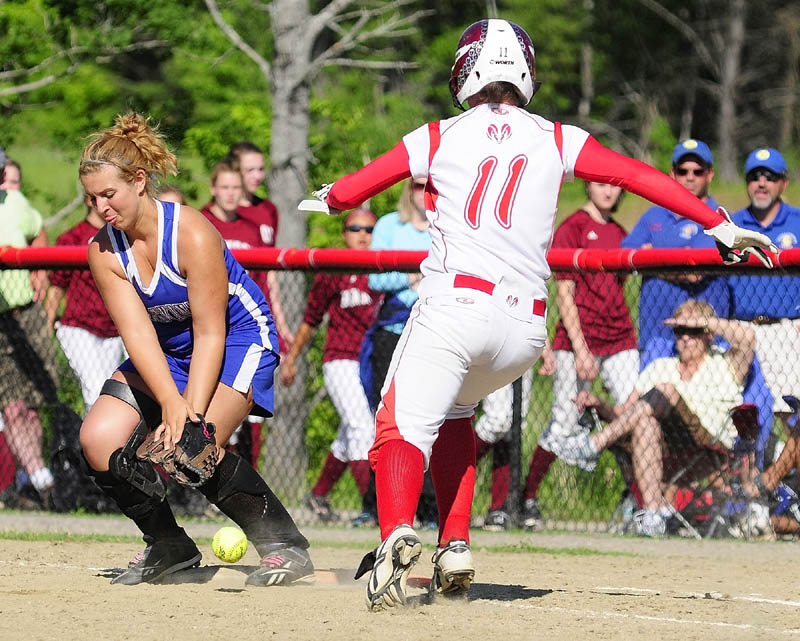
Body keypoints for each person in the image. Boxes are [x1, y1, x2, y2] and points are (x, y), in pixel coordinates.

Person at [306, 19, 774, 610]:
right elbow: (640, 176)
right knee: (456, 418)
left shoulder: (437, 136)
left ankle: (397, 534)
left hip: (456, 305)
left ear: (467, 68)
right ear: (523, 72)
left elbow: (354, 192)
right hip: (523, 328)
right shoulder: (558, 138)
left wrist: (330, 196)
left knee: (396, 429)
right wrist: (718, 223)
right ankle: (454, 546)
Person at [78, 113, 312, 586]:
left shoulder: (191, 232)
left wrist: (188, 413)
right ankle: (168, 547)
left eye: (110, 194)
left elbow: (212, 332)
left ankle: (283, 546)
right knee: (99, 439)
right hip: (168, 352)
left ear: (140, 181)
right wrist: (168, 400)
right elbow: (140, 335)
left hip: (238, 339)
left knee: (189, 449)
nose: (101, 206)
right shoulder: (103, 250)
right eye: (92, 198)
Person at [564, 300, 756, 537]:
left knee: (666, 390)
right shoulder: (660, 365)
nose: (685, 337)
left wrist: (705, 321)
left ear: (709, 334)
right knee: (646, 422)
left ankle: (593, 445)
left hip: (707, 446)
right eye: (679, 330)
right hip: (662, 449)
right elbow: (627, 412)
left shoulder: (726, 363)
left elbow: (748, 339)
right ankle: (654, 514)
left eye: (693, 330)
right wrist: (601, 405)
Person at [521, 181, 639, 531]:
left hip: (619, 338)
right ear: (587, 185)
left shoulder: (619, 232)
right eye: (600, 183)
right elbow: (564, 294)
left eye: (614, 187)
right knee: (564, 420)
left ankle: (638, 499)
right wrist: (581, 349)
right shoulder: (572, 228)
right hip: (578, 341)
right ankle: (526, 498)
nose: (607, 191)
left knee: (632, 415)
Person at [280, 209, 381, 522]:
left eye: (369, 229)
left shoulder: (382, 270)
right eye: (355, 228)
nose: (363, 234)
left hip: (372, 362)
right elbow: (311, 319)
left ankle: (318, 495)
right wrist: (292, 359)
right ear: (344, 233)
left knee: (348, 435)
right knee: (361, 428)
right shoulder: (334, 270)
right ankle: (372, 508)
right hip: (340, 360)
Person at [352, 177, 438, 530]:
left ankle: (432, 510)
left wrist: (416, 276)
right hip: (392, 333)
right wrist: (414, 276)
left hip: (433, 332)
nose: (423, 192)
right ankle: (379, 506)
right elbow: (376, 280)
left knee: (434, 421)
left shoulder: (447, 225)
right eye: (418, 185)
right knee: (388, 419)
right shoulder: (389, 225)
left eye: (431, 186)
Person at [621, 139, 730, 367]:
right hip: (656, 335)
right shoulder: (654, 216)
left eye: (697, 171)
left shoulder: (719, 217)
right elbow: (624, 258)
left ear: (710, 174)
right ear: (672, 173)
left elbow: (693, 272)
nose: (689, 177)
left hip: (705, 339)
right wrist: (674, 259)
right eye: (683, 170)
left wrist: (650, 258)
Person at [0, 147, 59, 509]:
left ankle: (31, 480)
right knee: (12, 406)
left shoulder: (16, 202)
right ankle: (45, 482)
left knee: (36, 405)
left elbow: (39, 231)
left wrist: (39, 268)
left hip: (27, 311)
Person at [199, 161, 267, 469]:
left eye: (235, 188)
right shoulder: (200, 223)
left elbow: (266, 280)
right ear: (213, 189)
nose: (229, 194)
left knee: (246, 408)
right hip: (208, 322)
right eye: (223, 187)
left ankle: (240, 477)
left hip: (243, 324)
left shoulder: (251, 228)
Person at [728, 148, 800, 429]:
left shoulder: (797, 221)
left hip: (786, 329)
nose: (761, 183)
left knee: (790, 412)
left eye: (770, 176)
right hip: (741, 330)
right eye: (754, 176)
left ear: (784, 183)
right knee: (746, 412)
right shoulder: (732, 224)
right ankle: (755, 472)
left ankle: (790, 473)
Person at [44, 195, 127, 414]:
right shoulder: (72, 238)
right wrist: (46, 328)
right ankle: (97, 446)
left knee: (110, 393)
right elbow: (56, 286)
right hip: (79, 328)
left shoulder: (122, 237)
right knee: (95, 389)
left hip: (114, 330)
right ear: (90, 201)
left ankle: (97, 443)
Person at [225, 141, 293, 351]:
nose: (258, 176)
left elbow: (270, 274)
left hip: (259, 309)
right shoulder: (215, 214)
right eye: (250, 170)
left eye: (261, 169)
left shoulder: (267, 210)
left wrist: (281, 324)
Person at [473, 370, 533, 530]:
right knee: (497, 420)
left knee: (514, 424)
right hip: (497, 349)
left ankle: (497, 509)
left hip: (526, 349)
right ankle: (450, 471)